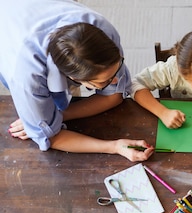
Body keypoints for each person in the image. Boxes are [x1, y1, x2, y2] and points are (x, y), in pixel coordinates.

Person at [0, 0, 154, 162]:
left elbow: (114, 96)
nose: (116, 80)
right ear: (75, 78)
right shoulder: (27, 78)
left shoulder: (101, 31)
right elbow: (52, 138)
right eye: (104, 81)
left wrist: (57, 116)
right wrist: (114, 146)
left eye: (117, 67)